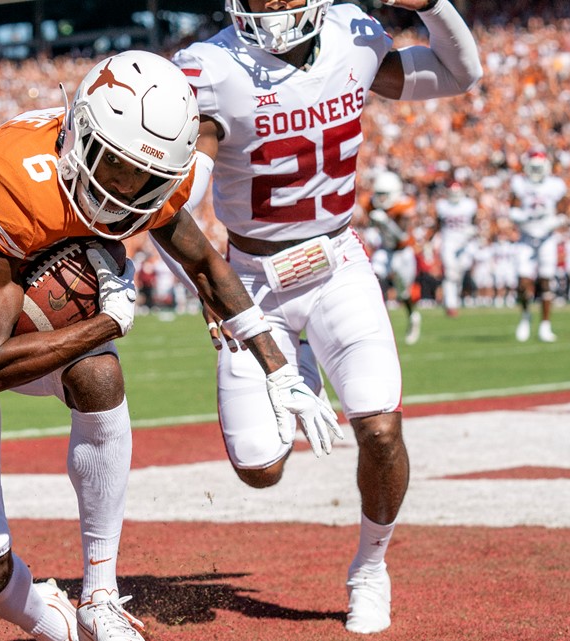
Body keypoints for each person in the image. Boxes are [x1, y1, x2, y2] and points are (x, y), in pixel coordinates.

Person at [0, 51, 337, 641]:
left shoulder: (147, 178)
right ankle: (60, 627)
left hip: (15, 308)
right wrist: (107, 323)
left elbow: (205, 265)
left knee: (99, 377)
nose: (124, 192)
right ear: (80, 133)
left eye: (144, 179)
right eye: (115, 168)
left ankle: (100, 596)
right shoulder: (13, 181)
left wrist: (279, 371)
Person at [169, 0, 482, 633]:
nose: (274, 6)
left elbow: (458, 75)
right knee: (260, 469)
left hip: (337, 262)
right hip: (251, 279)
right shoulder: (210, 68)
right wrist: (206, 286)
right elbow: (173, 206)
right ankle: (294, 360)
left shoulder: (351, 34)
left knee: (382, 429)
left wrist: (434, 8)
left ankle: (370, 567)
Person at [358, 170, 423, 344]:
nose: (380, 198)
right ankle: (376, 320)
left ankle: (413, 316)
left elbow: (402, 236)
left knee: (403, 292)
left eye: (384, 195)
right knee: (374, 277)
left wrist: (386, 221)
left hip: (403, 252)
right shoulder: (371, 204)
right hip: (384, 250)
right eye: (378, 194)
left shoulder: (404, 205)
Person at [509, 149, 567, 342]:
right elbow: (513, 209)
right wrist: (523, 217)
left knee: (545, 281)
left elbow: (564, 210)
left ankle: (545, 325)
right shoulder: (519, 183)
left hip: (547, 238)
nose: (535, 171)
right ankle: (525, 315)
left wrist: (555, 221)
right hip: (526, 236)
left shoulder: (555, 185)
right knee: (523, 282)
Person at [433, 181, 479, 317]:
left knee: (459, 273)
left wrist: (473, 231)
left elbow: (474, 221)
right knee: (450, 273)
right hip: (449, 242)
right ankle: (451, 305)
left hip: (465, 243)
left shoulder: (469, 205)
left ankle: (454, 301)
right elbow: (438, 223)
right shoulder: (442, 205)